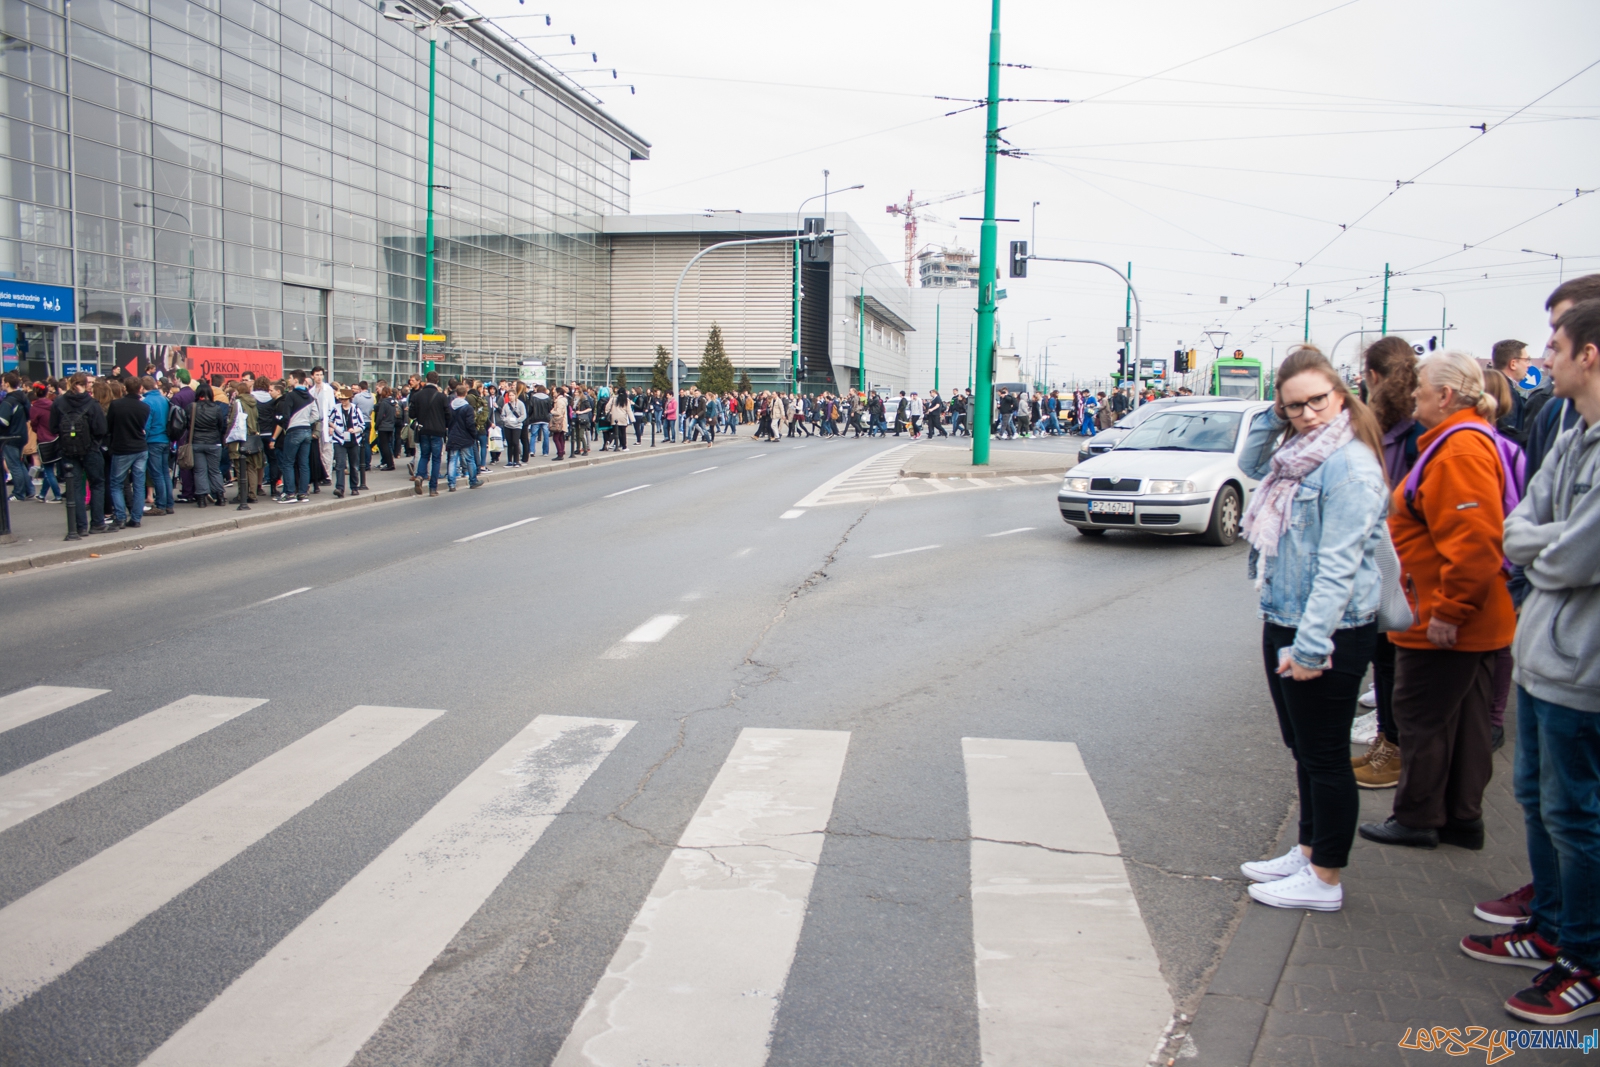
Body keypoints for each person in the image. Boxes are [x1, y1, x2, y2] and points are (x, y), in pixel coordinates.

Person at [1469, 297, 1600, 1026]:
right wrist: (1552, 546)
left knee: (1577, 816)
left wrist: (1548, 548)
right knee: (1540, 800)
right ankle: (1552, 926)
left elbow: (1577, 555)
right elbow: (1520, 529)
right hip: (1546, 654)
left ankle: (1586, 958)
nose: (1542, 357)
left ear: (1589, 354)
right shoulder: (1575, 432)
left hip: (1585, 666)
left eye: (1554, 343)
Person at [1236, 344, 1388, 912]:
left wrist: (1310, 646)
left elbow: (1338, 567)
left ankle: (1325, 877)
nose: (1307, 414)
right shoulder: (1297, 455)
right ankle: (1307, 851)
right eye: (1294, 406)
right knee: (1303, 748)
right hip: (1285, 615)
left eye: (1317, 401)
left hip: (1328, 629)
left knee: (1324, 756)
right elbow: (1251, 461)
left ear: (1341, 395)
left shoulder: (1349, 466)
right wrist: (1272, 413)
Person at [1358, 350, 1516, 853]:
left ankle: (1418, 816)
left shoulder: (1457, 450)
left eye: (1421, 389)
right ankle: (1461, 818)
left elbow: (1473, 543)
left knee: (1421, 716)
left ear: (1445, 396)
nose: (1413, 396)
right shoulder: (1460, 442)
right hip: (1471, 615)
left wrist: (1449, 611)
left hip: (1445, 617)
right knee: (1465, 721)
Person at [1352, 337, 1424, 789]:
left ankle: (1395, 749)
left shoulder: (1403, 433)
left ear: (1372, 377)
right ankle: (1387, 741)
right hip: (1389, 555)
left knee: (1393, 659)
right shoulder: (1399, 427)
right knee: (1386, 657)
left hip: (1398, 557)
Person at [49, 373, 105, 540]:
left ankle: (80, 527)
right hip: (90, 448)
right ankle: (97, 523)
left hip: (68, 449)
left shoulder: (59, 402)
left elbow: (53, 427)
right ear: (86, 385)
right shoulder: (92, 403)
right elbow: (101, 429)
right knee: (97, 484)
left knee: (74, 488)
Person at [106, 376, 151, 528]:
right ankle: (136, 518)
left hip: (122, 447)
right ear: (140, 389)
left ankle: (120, 516)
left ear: (125, 388)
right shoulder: (144, 407)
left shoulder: (116, 405)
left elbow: (109, 426)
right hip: (140, 447)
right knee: (138, 484)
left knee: (116, 483)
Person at [275, 372, 318, 503]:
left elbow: (286, 415)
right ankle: (303, 493)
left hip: (294, 430)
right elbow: (316, 415)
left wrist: (288, 425)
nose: (288, 380)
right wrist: (306, 421)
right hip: (306, 430)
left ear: (295, 380)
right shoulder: (310, 396)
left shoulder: (290, 395)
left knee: (288, 463)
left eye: (290, 378)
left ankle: (290, 493)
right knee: (304, 464)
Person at [408, 372, 449, 497]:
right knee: (436, 459)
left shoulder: (417, 395)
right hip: (437, 431)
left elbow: (411, 414)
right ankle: (433, 488)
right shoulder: (442, 397)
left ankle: (420, 476)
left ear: (426, 380)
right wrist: (445, 425)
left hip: (423, 430)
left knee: (424, 455)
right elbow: (448, 415)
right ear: (437, 381)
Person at [1489, 339, 1532, 444]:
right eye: (1526, 360)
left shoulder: (1490, 387)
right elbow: (1508, 436)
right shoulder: (1507, 392)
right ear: (1513, 364)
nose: (1529, 365)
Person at [326, 388, 366, 497]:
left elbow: (362, 425)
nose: (343, 401)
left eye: (345, 399)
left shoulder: (355, 409)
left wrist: (355, 430)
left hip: (354, 440)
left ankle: (354, 487)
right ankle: (340, 488)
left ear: (349, 399)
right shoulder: (336, 408)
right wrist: (336, 428)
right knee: (340, 464)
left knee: (354, 465)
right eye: (341, 399)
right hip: (339, 439)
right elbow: (329, 420)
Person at [0, 372, 32, 500]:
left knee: (14, 465)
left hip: (10, 436)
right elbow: (29, 416)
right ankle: (29, 489)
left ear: (7, 384)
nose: (1, 384)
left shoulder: (8, 401)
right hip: (21, 434)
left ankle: (19, 493)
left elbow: (3, 421)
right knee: (19, 463)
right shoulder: (23, 399)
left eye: (2, 382)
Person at [445, 383, 481, 490]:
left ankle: (452, 484)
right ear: (465, 393)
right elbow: (470, 424)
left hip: (453, 435)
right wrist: (474, 434)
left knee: (453, 460)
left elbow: (447, 421)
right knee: (470, 459)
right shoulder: (467, 408)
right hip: (465, 436)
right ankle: (473, 481)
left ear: (456, 393)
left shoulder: (450, 406)